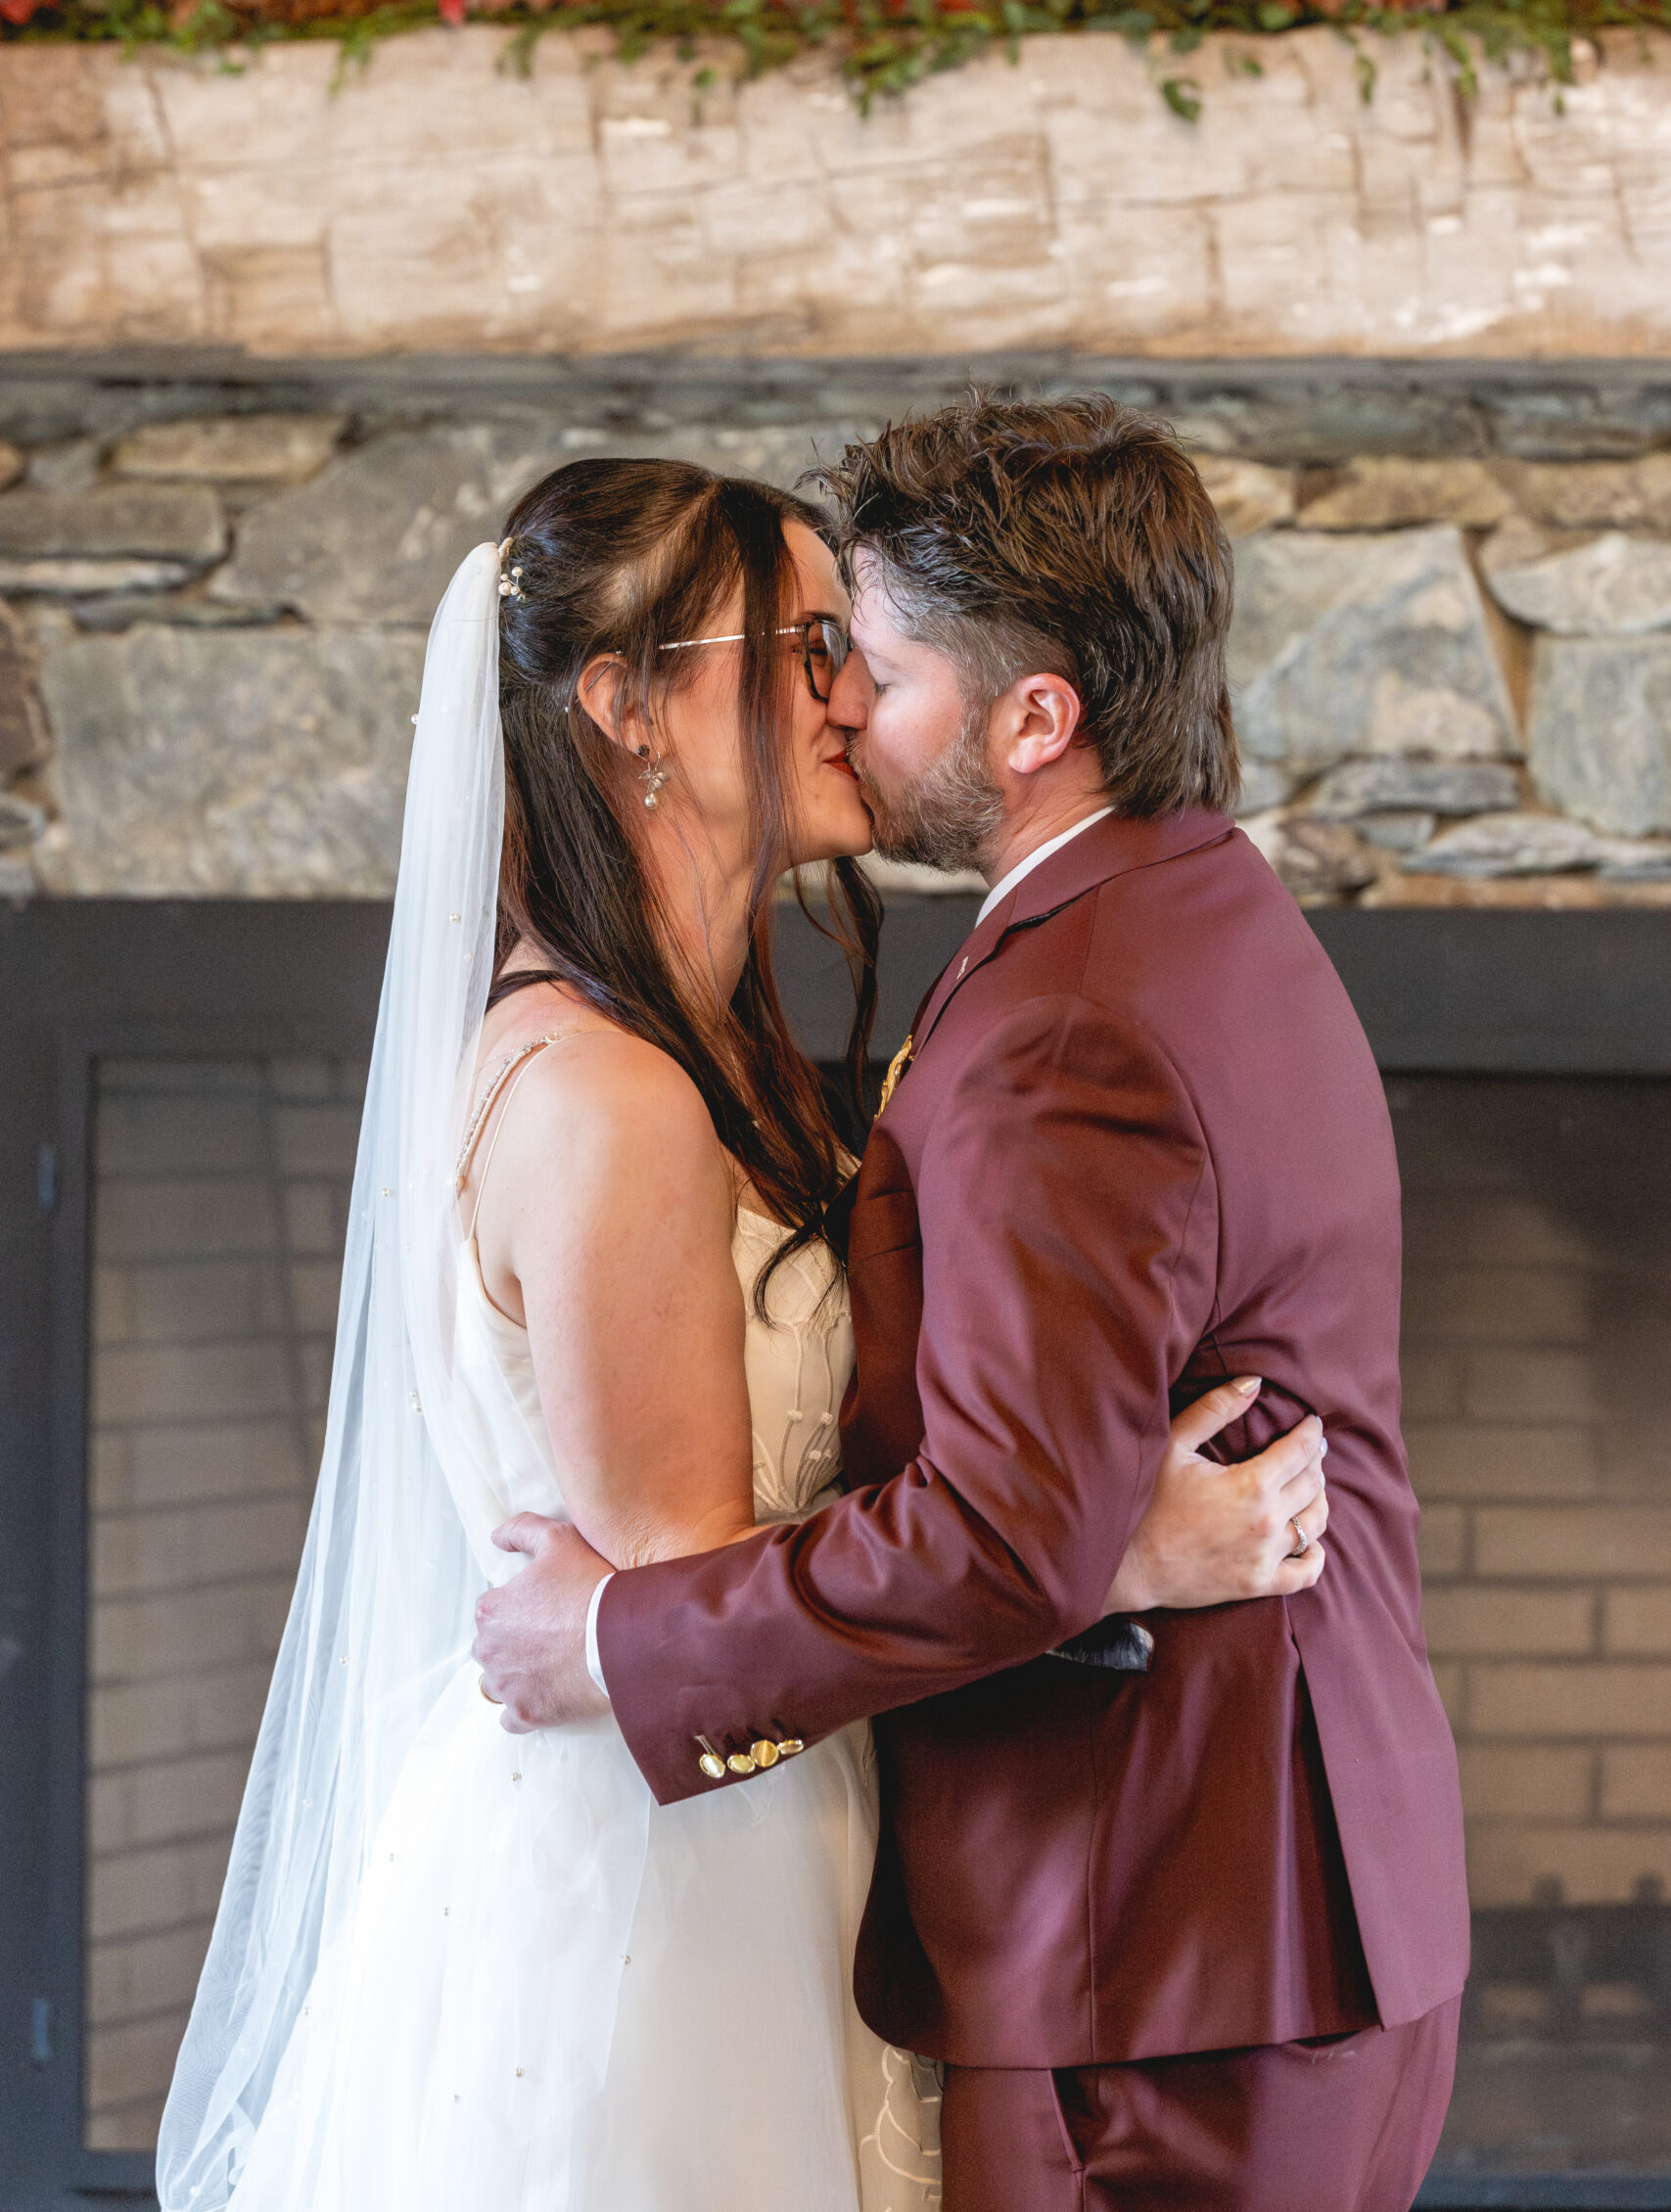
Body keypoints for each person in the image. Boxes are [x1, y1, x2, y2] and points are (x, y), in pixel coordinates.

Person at [157, 454, 1327, 2212]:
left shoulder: (717, 1052)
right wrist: (1106, 1555)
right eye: (799, 643)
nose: (848, 689)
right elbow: (689, 1589)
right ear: (627, 708)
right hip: (653, 1888)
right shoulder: (609, 1098)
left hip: (773, 1829)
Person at [474, 401, 1472, 2212]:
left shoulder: (1067, 1016)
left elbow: (1012, 1532)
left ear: (1034, 717)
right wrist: (1113, 1535)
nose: (838, 701)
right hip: (1246, 1916)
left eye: (874, 661)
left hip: (1151, 1957)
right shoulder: (1189, 903)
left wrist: (618, 1647)